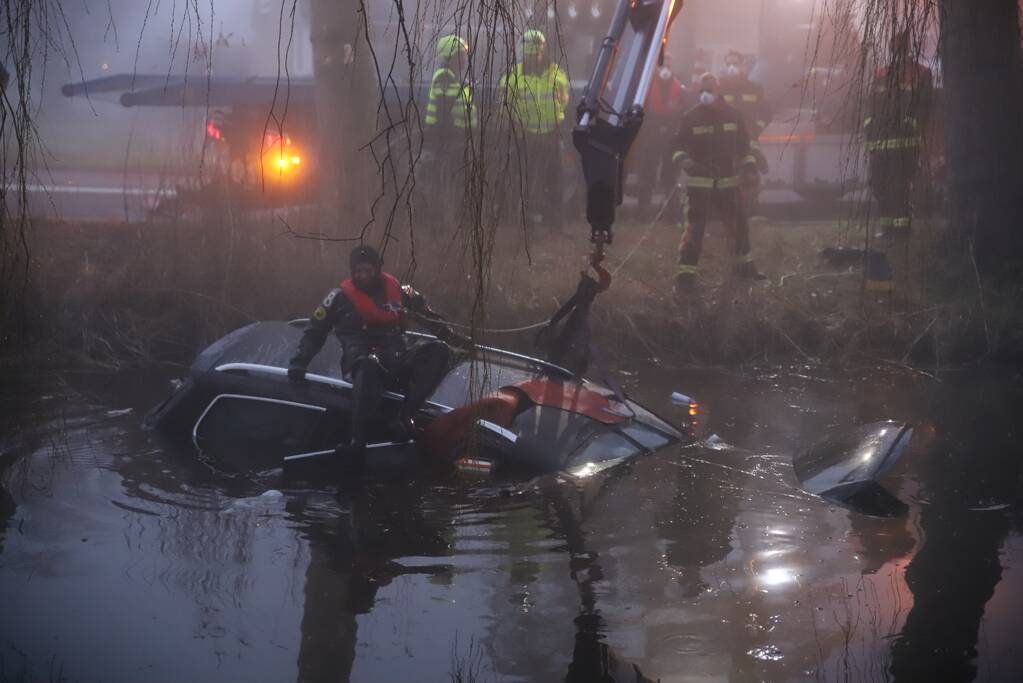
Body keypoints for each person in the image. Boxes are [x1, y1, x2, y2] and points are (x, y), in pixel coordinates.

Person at [287, 245, 468, 458]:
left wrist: (456, 339)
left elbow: (430, 319)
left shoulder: (400, 292)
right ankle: (358, 439)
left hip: (397, 358)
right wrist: (299, 362)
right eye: (358, 272)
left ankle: (404, 416)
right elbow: (315, 332)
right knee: (368, 364)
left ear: (377, 270)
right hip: (361, 360)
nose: (363, 276)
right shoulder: (336, 298)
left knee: (438, 350)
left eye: (368, 271)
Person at [671, 73, 765, 290]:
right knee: (695, 229)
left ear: (718, 90)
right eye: (702, 91)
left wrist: (750, 167)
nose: (705, 94)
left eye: (710, 90)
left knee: (739, 227)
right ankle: (686, 277)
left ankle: (745, 271)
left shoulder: (733, 115)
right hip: (699, 183)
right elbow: (676, 145)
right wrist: (684, 160)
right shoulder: (690, 117)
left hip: (728, 182)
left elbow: (745, 146)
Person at [864, 32, 933, 239]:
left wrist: (910, 123)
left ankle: (902, 230)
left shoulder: (921, 72)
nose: (896, 49)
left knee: (900, 188)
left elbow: (925, 106)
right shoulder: (881, 73)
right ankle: (887, 229)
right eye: (894, 45)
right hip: (880, 142)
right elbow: (871, 105)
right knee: (879, 186)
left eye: (899, 45)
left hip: (905, 143)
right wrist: (870, 127)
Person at [501, 29, 570, 231]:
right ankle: (528, 226)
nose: (531, 58)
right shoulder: (514, 77)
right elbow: (507, 106)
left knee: (554, 179)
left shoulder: (556, 73)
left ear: (541, 51)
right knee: (527, 182)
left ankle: (554, 223)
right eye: (528, 54)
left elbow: (564, 100)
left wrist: (555, 121)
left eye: (534, 53)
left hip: (551, 135)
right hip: (526, 137)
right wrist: (520, 129)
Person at [423, 34, 477, 226]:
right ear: (450, 57)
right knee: (448, 182)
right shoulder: (445, 78)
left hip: (456, 137)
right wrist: (454, 137)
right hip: (448, 138)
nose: (464, 59)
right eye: (460, 55)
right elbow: (444, 113)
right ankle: (442, 223)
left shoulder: (453, 77)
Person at [633, 54, 688, 218]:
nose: (666, 69)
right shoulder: (646, 87)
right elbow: (640, 111)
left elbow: (684, 112)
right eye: (663, 65)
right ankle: (643, 211)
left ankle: (672, 211)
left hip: (671, 138)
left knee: (670, 175)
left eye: (669, 66)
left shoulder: (680, 90)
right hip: (650, 136)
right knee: (647, 174)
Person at [719, 50, 772, 218]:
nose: (731, 67)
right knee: (726, 179)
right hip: (725, 142)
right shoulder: (720, 88)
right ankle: (727, 213)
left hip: (749, 142)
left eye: (735, 64)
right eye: (728, 64)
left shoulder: (754, 88)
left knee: (750, 175)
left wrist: (757, 128)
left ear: (743, 66)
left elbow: (766, 112)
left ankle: (751, 212)